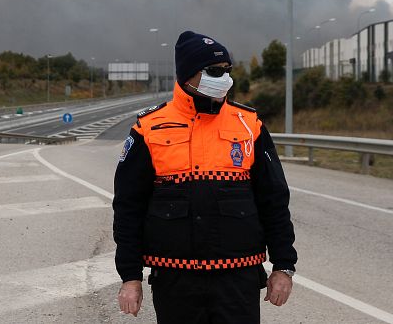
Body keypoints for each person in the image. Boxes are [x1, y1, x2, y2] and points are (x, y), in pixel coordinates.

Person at [113, 31, 297, 323]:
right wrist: (130, 276)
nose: (224, 78)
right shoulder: (149, 128)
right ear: (188, 74)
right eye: (213, 71)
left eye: (227, 71)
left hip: (239, 278)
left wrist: (284, 265)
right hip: (175, 280)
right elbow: (128, 208)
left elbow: (274, 199)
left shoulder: (250, 125)